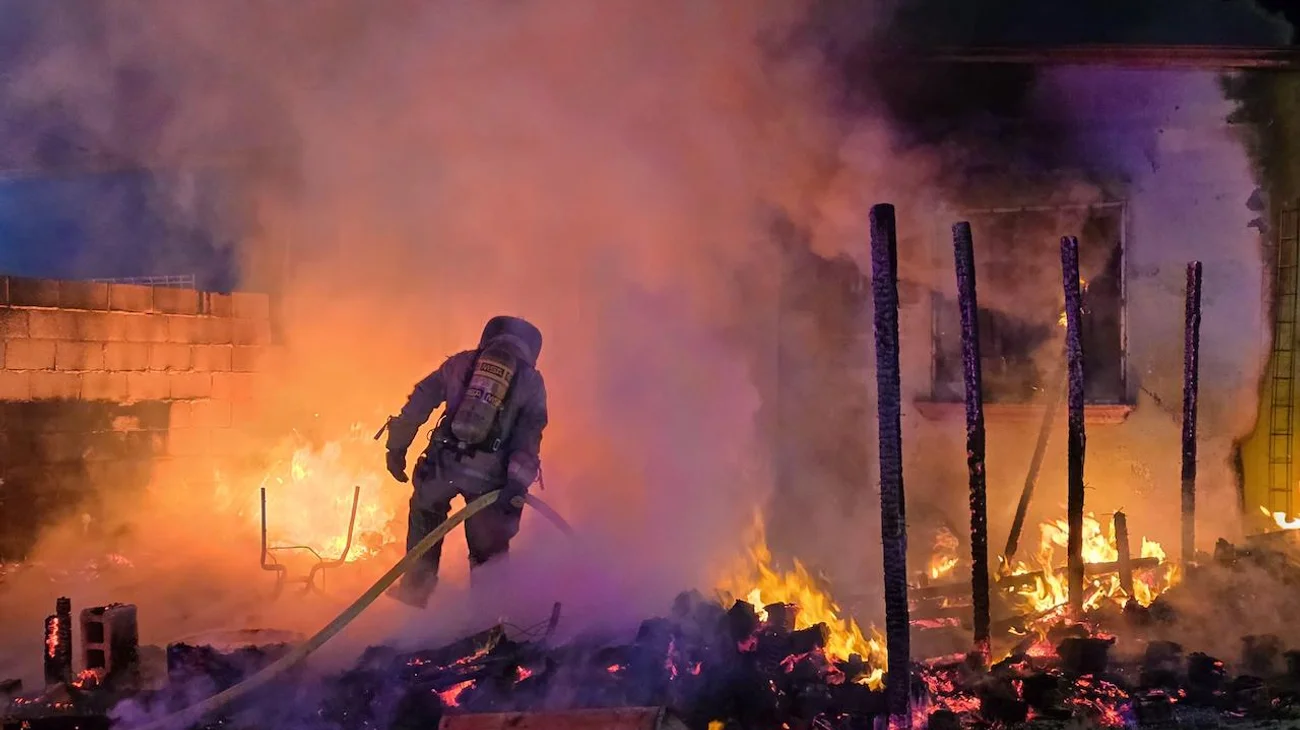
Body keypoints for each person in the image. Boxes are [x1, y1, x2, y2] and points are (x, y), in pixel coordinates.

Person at [382, 315, 548, 608]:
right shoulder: (531, 382)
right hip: (490, 480)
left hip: (443, 465)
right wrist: (516, 485)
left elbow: (420, 402)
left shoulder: (461, 363)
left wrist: (397, 447)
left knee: (425, 515)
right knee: (488, 551)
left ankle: (415, 592)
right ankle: (485, 618)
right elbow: (529, 435)